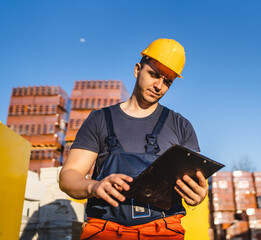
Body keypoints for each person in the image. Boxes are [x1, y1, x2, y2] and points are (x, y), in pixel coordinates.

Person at [59, 38, 208, 240]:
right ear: (137, 69)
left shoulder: (181, 126)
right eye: (154, 74)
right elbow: (69, 176)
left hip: (162, 231)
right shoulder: (100, 119)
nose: (159, 86)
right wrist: (93, 186)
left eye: (167, 82)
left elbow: (194, 181)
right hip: (106, 231)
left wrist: (198, 196)